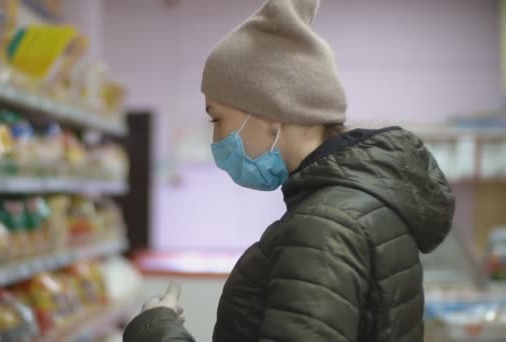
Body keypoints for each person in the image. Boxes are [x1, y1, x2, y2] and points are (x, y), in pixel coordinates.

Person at [123, 0, 455, 341]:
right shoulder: (366, 203)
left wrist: (155, 329)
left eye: (217, 118)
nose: (216, 138)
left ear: (271, 111)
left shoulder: (325, 225)